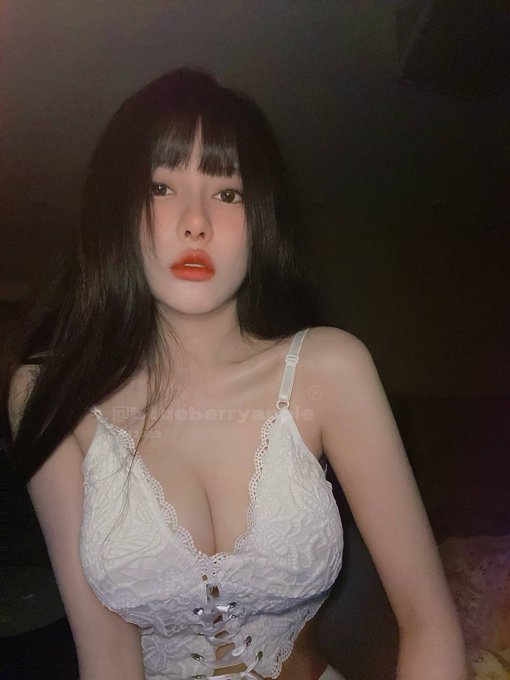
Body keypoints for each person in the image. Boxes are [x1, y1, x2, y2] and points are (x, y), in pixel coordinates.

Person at [6, 69, 467, 680]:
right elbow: (107, 656)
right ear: (116, 209)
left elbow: (428, 621)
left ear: (261, 218)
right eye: (161, 186)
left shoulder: (330, 369)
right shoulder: (48, 394)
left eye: (228, 193)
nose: (196, 222)